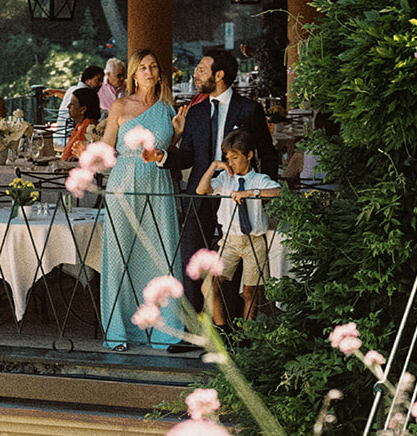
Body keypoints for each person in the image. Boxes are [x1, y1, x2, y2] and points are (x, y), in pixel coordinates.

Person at [165, 46, 279, 315]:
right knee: (193, 260)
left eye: (202, 70)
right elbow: (188, 158)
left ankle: (233, 332)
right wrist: (163, 156)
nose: (195, 74)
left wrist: (262, 192)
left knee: (234, 266)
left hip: (237, 197)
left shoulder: (249, 110)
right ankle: (194, 329)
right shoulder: (196, 111)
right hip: (202, 193)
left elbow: (267, 152)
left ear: (219, 74)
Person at [98, 49, 184, 352]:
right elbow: (107, 148)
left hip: (158, 183)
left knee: (161, 254)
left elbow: (166, 150)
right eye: (143, 67)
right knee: (121, 255)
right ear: (134, 74)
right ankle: (118, 330)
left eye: (153, 67)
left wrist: (175, 134)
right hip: (124, 183)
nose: (149, 72)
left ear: (160, 72)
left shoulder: (167, 107)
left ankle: (165, 329)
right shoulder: (120, 105)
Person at [197, 129, 281, 324]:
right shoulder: (225, 179)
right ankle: (222, 331)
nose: (231, 162)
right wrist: (214, 166)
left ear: (249, 155)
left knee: (250, 291)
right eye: (228, 158)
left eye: (235, 157)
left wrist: (252, 193)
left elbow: (280, 192)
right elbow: (201, 190)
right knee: (209, 285)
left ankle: (247, 335)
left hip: (254, 241)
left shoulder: (259, 179)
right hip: (229, 241)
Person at [54, 64, 105, 146]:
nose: (100, 84)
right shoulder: (84, 94)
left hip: (58, 135)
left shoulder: (72, 89)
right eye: (98, 80)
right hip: (69, 137)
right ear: (88, 81)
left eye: (102, 81)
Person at [61, 85, 102, 161]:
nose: (68, 106)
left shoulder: (90, 128)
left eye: (72, 103)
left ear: (83, 109)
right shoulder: (81, 124)